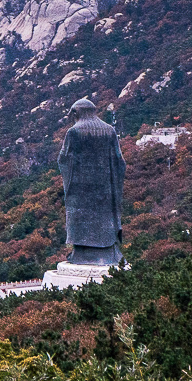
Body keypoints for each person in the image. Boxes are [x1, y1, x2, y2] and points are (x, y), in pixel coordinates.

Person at [57, 98, 126, 265]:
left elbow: (63, 159)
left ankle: (82, 254)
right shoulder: (109, 131)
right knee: (104, 218)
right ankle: (108, 252)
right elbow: (119, 160)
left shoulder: (74, 132)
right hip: (106, 189)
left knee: (80, 219)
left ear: (76, 112)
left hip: (80, 190)